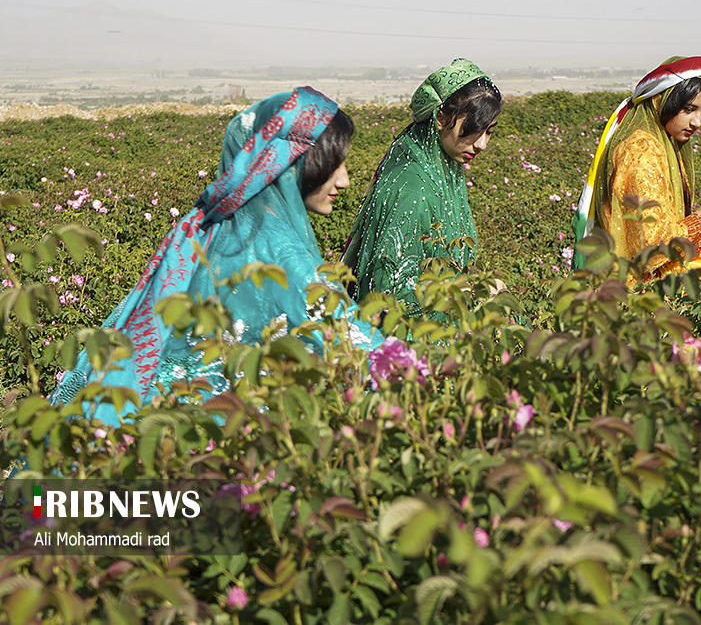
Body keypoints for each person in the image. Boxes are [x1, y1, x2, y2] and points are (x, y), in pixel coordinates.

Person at [51, 87, 383, 426]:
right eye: (334, 163)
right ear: (292, 160)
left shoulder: (213, 225)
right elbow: (358, 346)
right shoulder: (282, 250)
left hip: (165, 417)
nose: (344, 180)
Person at [572, 56, 701, 282]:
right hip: (641, 284)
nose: (697, 122)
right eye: (689, 109)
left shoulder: (658, 140)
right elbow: (651, 247)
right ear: (661, 101)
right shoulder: (641, 150)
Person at [342, 58, 502, 316]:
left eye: (490, 131)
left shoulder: (440, 168)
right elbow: (391, 290)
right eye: (473, 128)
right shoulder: (413, 187)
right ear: (440, 117)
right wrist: (467, 294)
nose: (482, 143)